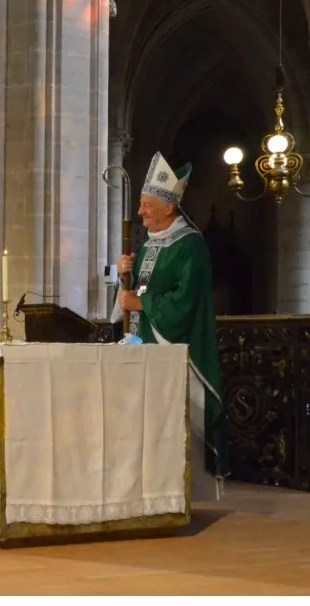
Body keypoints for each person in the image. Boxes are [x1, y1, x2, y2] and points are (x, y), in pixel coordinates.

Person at [117, 151, 227, 500]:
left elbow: (185, 302)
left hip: (174, 350)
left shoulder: (190, 246)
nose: (140, 212)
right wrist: (125, 277)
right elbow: (138, 294)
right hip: (141, 345)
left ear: (169, 206)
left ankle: (178, 493)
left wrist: (140, 302)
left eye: (146, 205)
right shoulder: (151, 244)